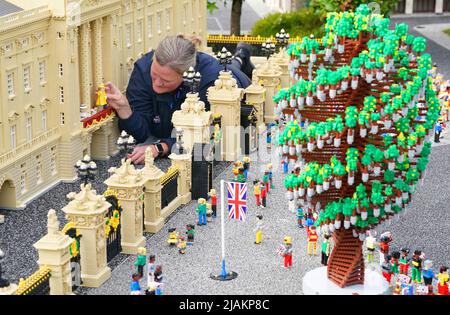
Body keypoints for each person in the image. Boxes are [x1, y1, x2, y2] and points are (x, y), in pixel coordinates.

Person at [106, 35, 252, 164]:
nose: (156, 83)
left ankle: (241, 56)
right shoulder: (143, 69)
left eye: (165, 80)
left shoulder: (210, 82)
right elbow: (141, 133)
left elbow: (206, 134)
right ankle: (240, 56)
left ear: (187, 75)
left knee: (233, 65)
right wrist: (124, 109)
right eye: (154, 75)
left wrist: (161, 147)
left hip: (236, 82)